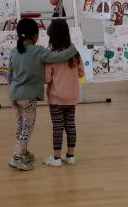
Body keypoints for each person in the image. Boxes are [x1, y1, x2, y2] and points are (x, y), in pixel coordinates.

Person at [7, 18, 78, 171]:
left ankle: (24, 152)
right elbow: (58, 57)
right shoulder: (38, 51)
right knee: (28, 127)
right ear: (34, 35)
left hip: (14, 95)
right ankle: (16, 157)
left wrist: (13, 90)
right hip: (28, 97)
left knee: (20, 125)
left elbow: (10, 76)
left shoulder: (13, 51)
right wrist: (72, 49)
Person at [42, 20, 84, 167]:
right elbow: (81, 73)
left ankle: (57, 158)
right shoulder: (75, 54)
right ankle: (70, 156)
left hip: (56, 99)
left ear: (52, 37)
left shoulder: (51, 57)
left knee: (57, 128)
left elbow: (47, 79)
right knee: (71, 125)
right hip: (72, 97)